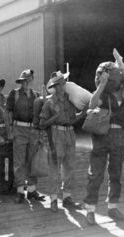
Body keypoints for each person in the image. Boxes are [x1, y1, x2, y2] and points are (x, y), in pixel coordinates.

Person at [83, 68, 124, 225]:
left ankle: (113, 208)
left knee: (116, 175)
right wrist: (101, 86)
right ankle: (90, 210)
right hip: (101, 137)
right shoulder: (106, 95)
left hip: (119, 139)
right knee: (96, 175)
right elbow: (92, 104)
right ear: (122, 85)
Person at [39, 71, 85, 212]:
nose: (65, 85)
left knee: (69, 166)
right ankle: (53, 199)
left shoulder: (70, 100)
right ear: (57, 86)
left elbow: (71, 119)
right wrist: (55, 117)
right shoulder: (49, 103)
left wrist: (82, 113)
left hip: (70, 133)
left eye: (64, 82)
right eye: (63, 83)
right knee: (54, 167)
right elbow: (42, 123)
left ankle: (67, 198)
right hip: (56, 135)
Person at [6, 69, 45, 203]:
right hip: (19, 129)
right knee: (19, 161)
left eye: (28, 80)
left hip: (33, 130)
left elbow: (41, 115)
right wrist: (10, 130)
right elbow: (8, 113)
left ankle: (32, 190)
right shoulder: (14, 94)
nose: (26, 83)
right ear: (21, 81)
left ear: (32, 80)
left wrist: (40, 132)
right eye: (24, 80)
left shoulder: (37, 95)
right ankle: (20, 192)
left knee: (32, 160)